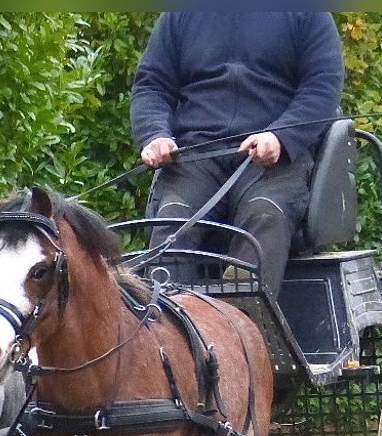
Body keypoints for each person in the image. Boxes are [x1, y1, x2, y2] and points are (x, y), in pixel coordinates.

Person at [130, 12, 345, 301]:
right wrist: (155, 135)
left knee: (264, 215)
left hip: (274, 162)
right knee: (174, 219)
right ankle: (164, 324)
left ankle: (244, 327)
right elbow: (152, 85)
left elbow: (322, 87)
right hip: (196, 156)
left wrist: (280, 136)